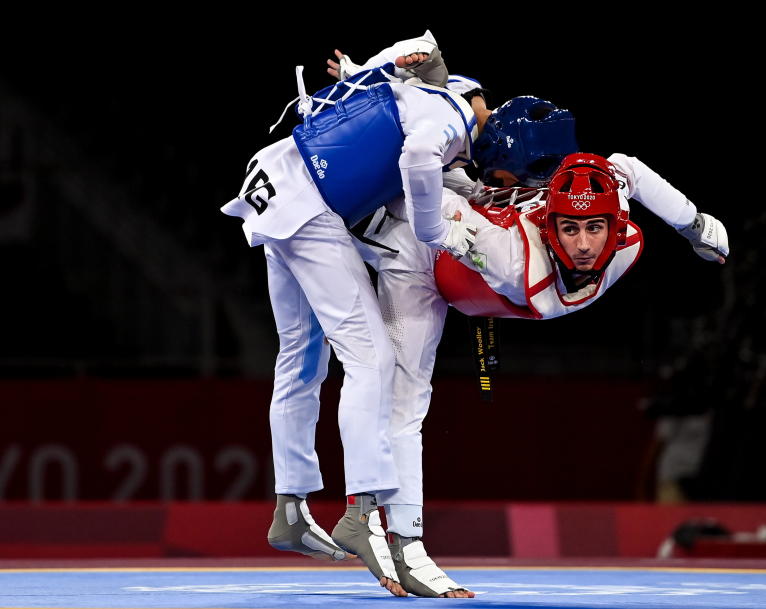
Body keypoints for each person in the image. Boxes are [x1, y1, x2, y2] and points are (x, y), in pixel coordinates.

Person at [220, 31, 576, 598]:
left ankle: (290, 506)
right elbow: (417, 153)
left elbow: (402, 91)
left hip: (274, 181)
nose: (502, 187)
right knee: (371, 357)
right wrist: (437, 229)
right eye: (511, 179)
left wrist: (377, 64)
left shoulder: (445, 98)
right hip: (311, 208)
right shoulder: (453, 113)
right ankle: (361, 510)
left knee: (301, 355)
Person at [355, 152, 727, 595]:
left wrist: (693, 223)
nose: (585, 245)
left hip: (482, 233)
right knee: (404, 402)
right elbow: (430, 211)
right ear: (552, 229)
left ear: (615, 222)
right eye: (570, 229)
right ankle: (407, 546)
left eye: (594, 227)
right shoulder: (514, 263)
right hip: (423, 262)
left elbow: (628, 166)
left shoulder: (625, 231)